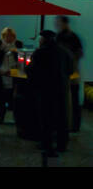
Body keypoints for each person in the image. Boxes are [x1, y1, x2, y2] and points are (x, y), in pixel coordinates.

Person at [29, 29, 74, 157]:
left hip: (45, 90)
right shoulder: (65, 52)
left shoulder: (40, 52)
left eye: (40, 39)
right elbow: (70, 70)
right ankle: (62, 145)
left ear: (43, 40)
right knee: (61, 117)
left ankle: (47, 145)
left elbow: (32, 71)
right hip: (62, 89)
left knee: (46, 118)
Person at [55, 16, 83, 132]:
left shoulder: (70, 37)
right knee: (72, 99)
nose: (57, 25)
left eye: (58, 23)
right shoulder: (63, 36)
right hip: (69, 73)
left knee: (73, 99)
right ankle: (71, 125)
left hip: (70, 73)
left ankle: (73, 125)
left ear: (64, 23)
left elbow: (79, 53)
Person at [0, 27, 20, 125]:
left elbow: (22, 59)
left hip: (14, 74)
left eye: (11, 36)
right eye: (6, 36)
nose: (9, 38)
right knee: (0, 98)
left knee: (14, 98)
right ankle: (1, 116)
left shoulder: (18, 44)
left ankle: (17, 118)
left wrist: (16, 52)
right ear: (3, 36)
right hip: (0, 74)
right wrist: (2, 50)